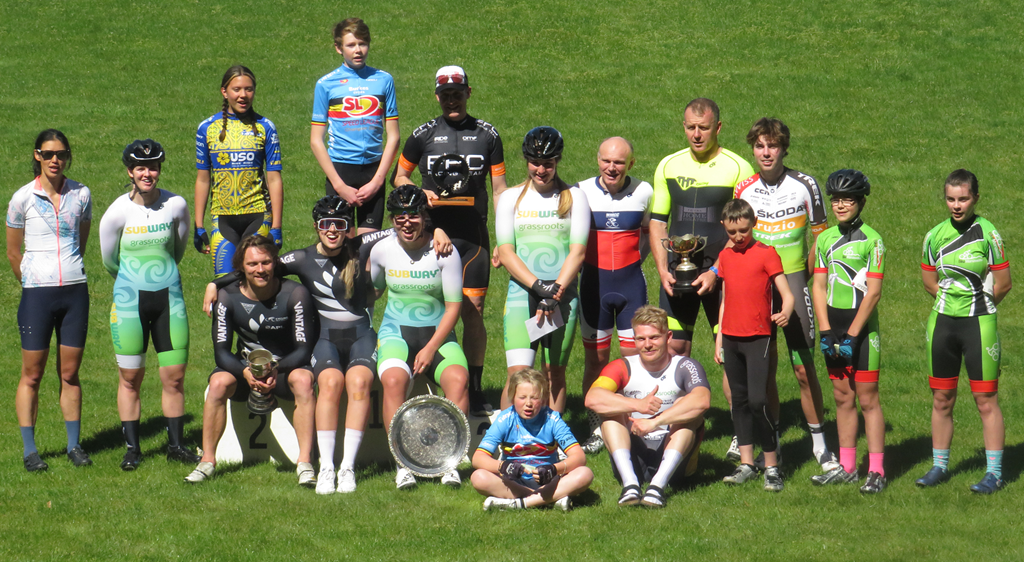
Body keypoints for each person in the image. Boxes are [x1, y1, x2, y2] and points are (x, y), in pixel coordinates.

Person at [202, 196, 378, 494]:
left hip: (360, 336)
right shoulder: (301, 258)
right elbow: (257, 268)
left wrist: (435, 230)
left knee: (357, 383)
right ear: (316, 226)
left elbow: (403, 226)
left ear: (350, 227)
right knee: (331, 383)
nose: (333, 230)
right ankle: (326, 468)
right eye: (326, 224)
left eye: (340, 224)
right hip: (326, 341)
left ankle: (345, 467)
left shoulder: (362, 246)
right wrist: (216, 284)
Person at [392, 65, 507, 417]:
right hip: (434, 238)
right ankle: (420, 379)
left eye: (458, 92)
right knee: (429, 307)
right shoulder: (422, 134)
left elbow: (499, 189)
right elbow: (399, 176)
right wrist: (416, 191)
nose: (452, 99)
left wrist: (504, 240)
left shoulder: (488, 134)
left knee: (473, 313)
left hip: (473, 239)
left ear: (469, 93)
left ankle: (473, 389)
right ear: (437, 96)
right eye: (446, 94)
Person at [648, 99, 754, 460]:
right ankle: (676, 428)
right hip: (678, 276)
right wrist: (663, 268)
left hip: (722, 277)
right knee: (674, 351)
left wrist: (716, 270)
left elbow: (743, 231)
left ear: (718, 128)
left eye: (704, 128)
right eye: (691, 127)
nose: (696, 134)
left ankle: (742, 435)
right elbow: (659, 221)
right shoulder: (668, 165)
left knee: (729, 354)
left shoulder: (738, 168)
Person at [733, 118, 837, 472]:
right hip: (756, 285)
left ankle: (820, 445)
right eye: (760, 146)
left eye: (772, 146)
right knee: (766, 369)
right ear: (753, 148)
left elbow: (822, 239)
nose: (766, 153)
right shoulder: (744, 188)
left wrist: (802, 278)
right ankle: (772, 440)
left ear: (783, 148)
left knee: (804, 368)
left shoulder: (805, 184)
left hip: (793, 278)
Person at [99, 139, 199, 471]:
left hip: (169, 300)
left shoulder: (176, 205)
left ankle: (175, 446)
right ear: (130, 171)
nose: (148, 173)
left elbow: (179, 248)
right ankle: (132, 449)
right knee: (130, 378)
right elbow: (109, 260)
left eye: (153, 166)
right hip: (129, 304)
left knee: (174, 376)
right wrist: (134, 279)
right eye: (140, 168)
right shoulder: (116, 212)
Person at [186, 235, 318, 486]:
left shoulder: (295, 293)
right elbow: (221, 353)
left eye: (266, 263)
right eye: (252, 264)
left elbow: (303, 349)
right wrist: (245, 372)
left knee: (303, 380)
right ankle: (207, 461)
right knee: (217, 384)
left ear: (275, 263)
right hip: (245, 369)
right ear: (241, 268)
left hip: (284, 368)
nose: (260, 270)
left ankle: (305, 463)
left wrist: (275, 369)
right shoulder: (227, 297)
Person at [916, 169, 1011, 494]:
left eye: (963, 199)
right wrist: (952, 305)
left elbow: (1003, 283)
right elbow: (930, 282)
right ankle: (939, 466)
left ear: (975, 198)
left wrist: (979, 306)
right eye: (951, 199)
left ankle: (995, 473)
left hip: (979, 326)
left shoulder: (988, 234)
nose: (957, 205)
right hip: (942, 324)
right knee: (942, 399)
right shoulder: (934, 236)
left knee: (985, 400)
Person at [369, 185, 469, 489]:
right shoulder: (382, 250)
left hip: (437, 335)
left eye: (412, 216)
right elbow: (373, 293)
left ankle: (450, 459)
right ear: (391, 219)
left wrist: (429, 348)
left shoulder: (444, 251)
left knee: (457, 378)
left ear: (424, 217)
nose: (406, 223)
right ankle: (403, 463)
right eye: (399, 217)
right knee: (394, 380)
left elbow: (454, 307)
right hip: (395, 332)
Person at [7, 129, 93, 472]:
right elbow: (14, 253)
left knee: (70, 374)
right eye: (48, 153)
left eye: (61, 154)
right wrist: (32, 282)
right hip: (37, 296)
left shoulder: (82, 194)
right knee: (32, 374)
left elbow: (81, 241)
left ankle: (74, 445)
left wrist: (68, 272)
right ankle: (31, 451)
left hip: (75, 291)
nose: (55, 160)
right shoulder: (22, 198)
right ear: (37, 156)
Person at [495, 126, 590, 413]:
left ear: (558, 161)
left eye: (548, 163)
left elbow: (578, 251)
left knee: (553, 374)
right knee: (517, 375)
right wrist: (538, 287)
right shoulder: (511, 198)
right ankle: (505, 443)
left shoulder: (574, 196)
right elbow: (507, 251)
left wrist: (554, 293)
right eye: (535, 163)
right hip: (523, 294)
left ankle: (550, 444)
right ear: (526, 162)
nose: (541, 169)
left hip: (561, 294)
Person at [584, 306, 709, 507]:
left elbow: (702, 400)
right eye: (641, 339)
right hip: (635, 454)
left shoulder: (685, 365)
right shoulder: (622, 366)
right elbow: (592, 398)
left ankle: (657, 487)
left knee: (686, 411)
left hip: (675, 457)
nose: (647, 345)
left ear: (668, 337)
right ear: (634, 340)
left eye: (654, 338)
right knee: (611, 409)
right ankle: (630, 485)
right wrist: (637, 405)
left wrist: (655, 422)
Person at [810, 169, 887, 493]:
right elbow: (818, 286)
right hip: (834, 328)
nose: (841, 205)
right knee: (842, 398)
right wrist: (826, 332)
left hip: (863, 332)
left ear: (861, 202)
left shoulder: (873, 240)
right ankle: (847, 466)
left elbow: (873, 293)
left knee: (867, 400)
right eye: (836, 199)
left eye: (848, 199)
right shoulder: (825, 239)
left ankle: (877, 471)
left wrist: (853, 335)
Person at [576, 137, 653, 454]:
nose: (612, 167)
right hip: (593, 287)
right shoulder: (581, 192)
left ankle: (635, 423)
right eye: (606, 161)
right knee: (595, 362)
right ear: (598, 160)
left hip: (631, 285)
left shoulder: (645, 192)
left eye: (619, 162)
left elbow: (650, 233)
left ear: (630, 164)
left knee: (636, 361)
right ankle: (597, 427)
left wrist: (636, 262)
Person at [712, 199, 793, 492]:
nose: (738, 237)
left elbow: (786, 291)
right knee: (739, 402)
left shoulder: (766, 254)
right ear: (725, 227)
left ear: (753, 223)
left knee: (759, 401)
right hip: (731, 337)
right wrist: (720, 336)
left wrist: (785, 311)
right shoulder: (725, 255)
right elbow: (724, 297)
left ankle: (772, 464)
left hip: (759, 336)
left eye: (744, 230)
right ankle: (746, 463)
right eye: (733, 232)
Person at [310, 17, 398, 235]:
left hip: (373, 171)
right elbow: (315, 140)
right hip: (340, 171)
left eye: (363, 43)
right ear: (338, 48)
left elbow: (394, 137)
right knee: (343, 249)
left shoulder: (384, 80)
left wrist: (377, 182)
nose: (358, 50)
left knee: (369, 250)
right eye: (351, 45)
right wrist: (339, 186)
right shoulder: (325, 84)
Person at [194, 65, 283, 276]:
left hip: (259, 215)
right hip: (222, 216)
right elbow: (203, 180)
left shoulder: (265, 127)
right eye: (236, 89)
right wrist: (198, 225)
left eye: (249, 89)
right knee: (224, 283)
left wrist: (277, 226)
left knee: (258, 278)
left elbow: (274, 179)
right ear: (224, 92)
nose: (243, 95)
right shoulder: (207, 128)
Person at [471, 368, 593, 511]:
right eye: (522, 397)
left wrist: (553, 469)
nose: (528, 403)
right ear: (512, 397)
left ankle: (519, 503)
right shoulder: (505, 419)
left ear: (543, 399)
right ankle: (547, 499)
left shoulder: (552, 419)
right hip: (514, 482)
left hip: (548, 481)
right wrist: (504, 467)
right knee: (478, 477)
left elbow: (579, 457)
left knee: (585, 474)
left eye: (534, 398)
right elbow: (478, 458)